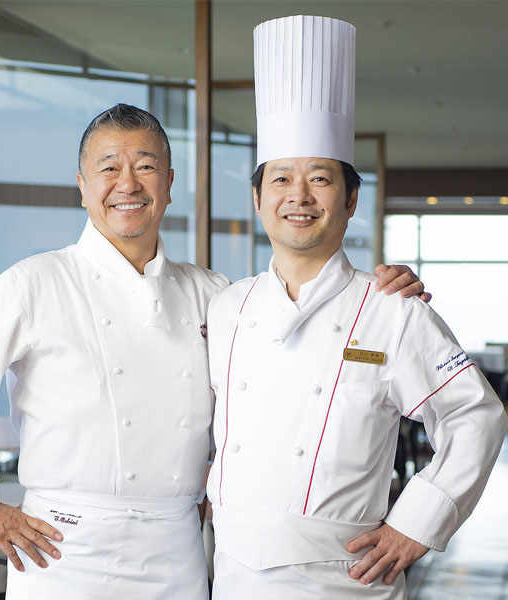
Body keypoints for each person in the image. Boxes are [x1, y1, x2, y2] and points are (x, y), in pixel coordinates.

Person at [0, 103, 426, 599]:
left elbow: (294, 368)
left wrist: (380, 295)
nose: (128, 184)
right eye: (109, 167)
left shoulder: (213, 294)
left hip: (177, 550)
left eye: (146, 166)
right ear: (83, 188)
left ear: (170, 184)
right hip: (64, 550)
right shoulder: (37, 281)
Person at [205, 15, 507, 600]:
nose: (298, 196)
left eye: (319, 179)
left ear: (349, 202)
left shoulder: (393, 308)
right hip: (235, 576)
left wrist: (416, 524)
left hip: (345, 581)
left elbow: (478, 416)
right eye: (282, 179)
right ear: (259, 198)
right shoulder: (226, 308)